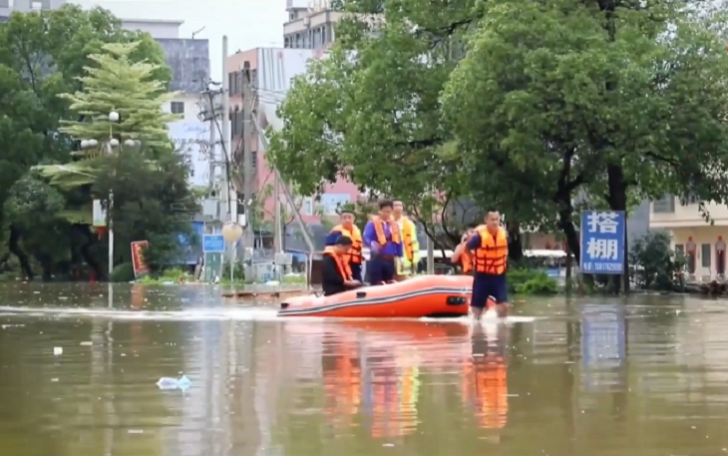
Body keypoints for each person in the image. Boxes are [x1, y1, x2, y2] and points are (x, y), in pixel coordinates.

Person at [464, 211, 509, 319]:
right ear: (486, 221)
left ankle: (500, 325)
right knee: (477, 308)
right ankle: (476, 328)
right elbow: (467, 248)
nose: (495, 222)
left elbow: (505, 250)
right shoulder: (478, 237)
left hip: (498, 275)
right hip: (482, 276)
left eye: (497, 219)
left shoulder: (503, 234)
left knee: (505, 305)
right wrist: (473, 259)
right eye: (492, 220)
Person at [363, 200, 403, 285]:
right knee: (377, 283)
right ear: (380, 211)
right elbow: (366, 238)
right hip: (377, 258)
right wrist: (373, 244)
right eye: (384, 211)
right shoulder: (372, 223)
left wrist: (400, 254)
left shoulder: (394, 225)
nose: (386, 214)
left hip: (390, 259)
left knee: (389, 283)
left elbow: (399, 240)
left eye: (388, 212)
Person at [325, 210, 364, 282]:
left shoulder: (357, 230)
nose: (347, 220)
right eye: (344, 218)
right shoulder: (336, 232)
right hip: (341, 263)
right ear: (340, 220)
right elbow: (330, 249)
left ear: (354, 219)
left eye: (350, 217)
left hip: (355, 263)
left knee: (358, 282)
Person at [392, 200, 420, 280]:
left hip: (405, 260)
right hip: (391, 259)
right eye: (396, 205)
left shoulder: (409, 224)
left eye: (400, 205)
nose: (398, 208)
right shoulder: (387, 223)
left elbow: (414, 243)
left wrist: (415, 259)